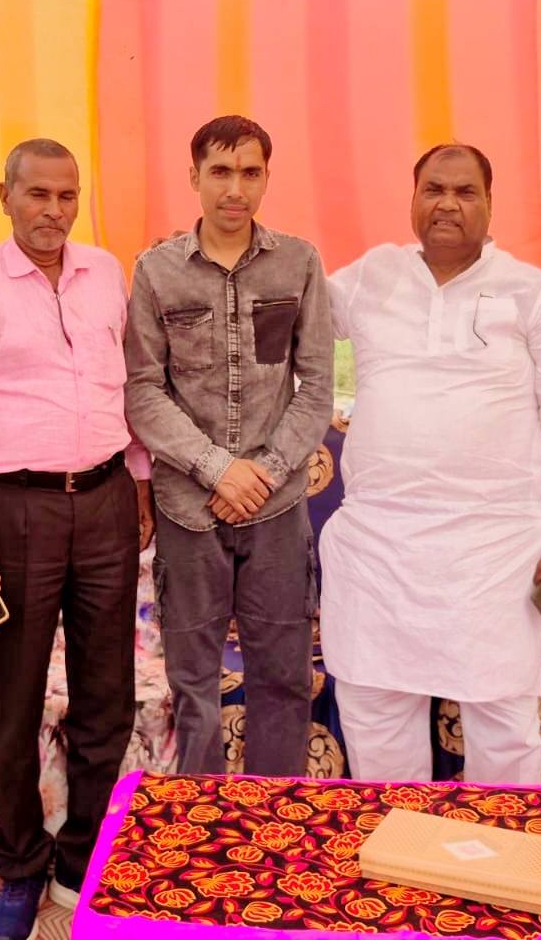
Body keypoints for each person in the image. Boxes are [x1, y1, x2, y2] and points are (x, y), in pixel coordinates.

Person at [0, 139, 153, 940]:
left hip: (107, 499)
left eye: (67, 195)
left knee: (106, 694)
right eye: (38, 194)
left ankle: (80, 857)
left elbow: (128, 383)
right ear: (5, 196)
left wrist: (139, 480)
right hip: (14, 511)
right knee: (15, 701)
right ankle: (19, 864)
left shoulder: (106, 273)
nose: (54, 211)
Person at [319, 144, 541, 782]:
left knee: (504, 729)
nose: (448, 204)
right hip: (379, 546)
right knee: (376, 721)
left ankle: (498, 849)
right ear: (413, 199)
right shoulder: (370, 276)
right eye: (434, 189)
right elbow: (286, 307)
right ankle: (400, 845)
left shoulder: (531, 292)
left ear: (490, 204)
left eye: (465, 192)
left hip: (495, 549)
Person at [125, 115, 334, 780]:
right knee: (194, 687)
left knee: (283, 678)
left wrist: (261, 474)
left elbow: (317, 387)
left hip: (277, 510)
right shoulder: (156, 272)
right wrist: (218, 470)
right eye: (220, 172)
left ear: (267, 178)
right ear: (194, 177)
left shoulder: (299, 264)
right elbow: (143, 391)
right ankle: (203, 820)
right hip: (189, 510)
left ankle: (276, 819)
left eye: (249, 172)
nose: (234, 189)